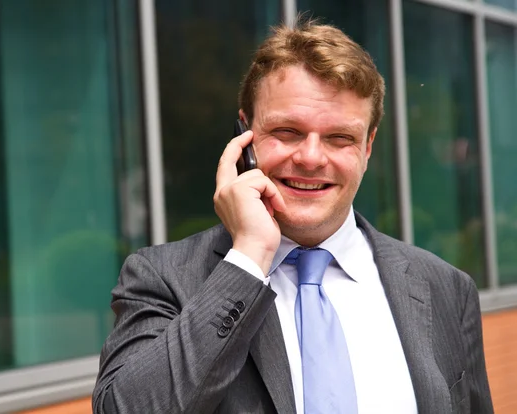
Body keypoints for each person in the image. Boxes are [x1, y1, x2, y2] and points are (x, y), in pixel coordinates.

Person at [93, 19, 493, 414]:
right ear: (244, 134)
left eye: (340, 138)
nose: (311, 158)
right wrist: (249, 258)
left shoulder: (446, 289)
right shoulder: (161, 277)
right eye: (287, 131)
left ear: (368, 148)